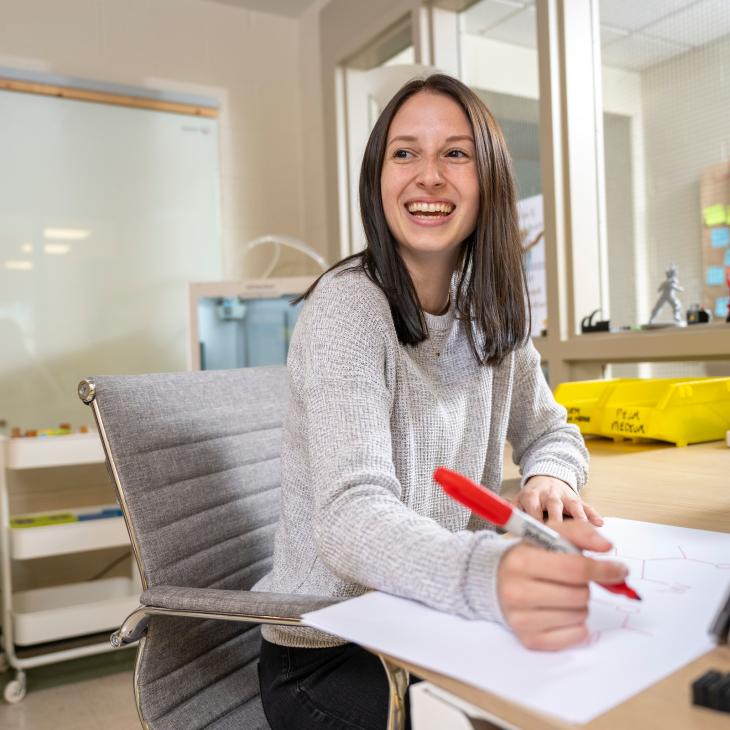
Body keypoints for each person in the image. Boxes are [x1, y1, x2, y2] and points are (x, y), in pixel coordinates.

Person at [256, 73, 628, 730]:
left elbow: (551, 429)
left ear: (488, 181)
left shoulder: (487, 313)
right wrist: (489, 571)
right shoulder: (347, 308)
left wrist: (550, 476)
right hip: (336, 650)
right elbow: (349, 517)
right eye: (405, 153)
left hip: (430, 618)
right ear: (378, 179)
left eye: (455, 153)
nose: (429, 175)